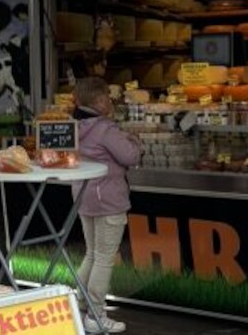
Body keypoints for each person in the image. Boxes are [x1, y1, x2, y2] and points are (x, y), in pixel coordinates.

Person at [70, 77, 141, 335]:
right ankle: (96, 315)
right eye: (108, 96)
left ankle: (80, 304)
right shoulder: (105, 130)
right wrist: (134, 141)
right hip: (109, 199)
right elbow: (130, 157)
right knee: (103, 258)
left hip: (83, 195)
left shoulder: (73, 126)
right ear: (99, 101)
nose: (110, 100)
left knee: (91, 253)